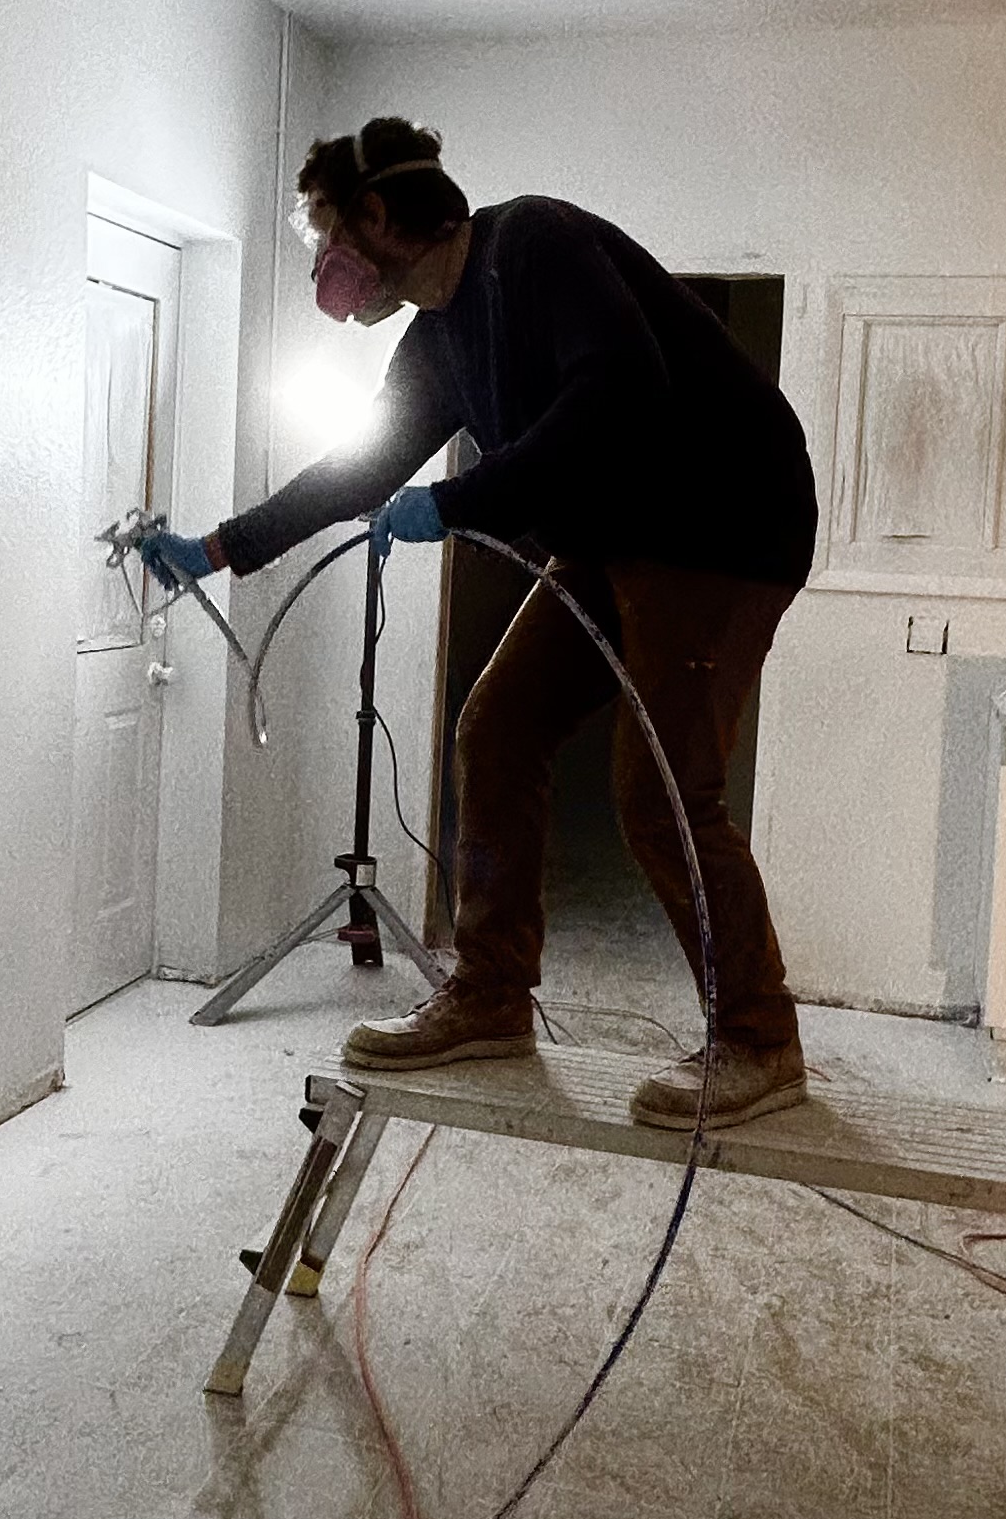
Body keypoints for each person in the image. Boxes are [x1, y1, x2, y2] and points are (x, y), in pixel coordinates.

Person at [140, 117, 819, 1129]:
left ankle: (759, 1037)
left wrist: (459, 503)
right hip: (606, 532)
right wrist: (220, 547)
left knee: (661, 791)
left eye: (328, 237)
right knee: (495, 726)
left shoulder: (534, 243)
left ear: (378, 216)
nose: (328, 267)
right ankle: (492, 991)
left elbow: (621, 393)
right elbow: (363, 468)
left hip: (722, 525)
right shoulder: (435, 341)